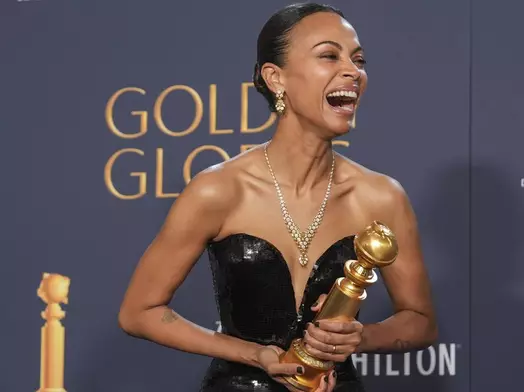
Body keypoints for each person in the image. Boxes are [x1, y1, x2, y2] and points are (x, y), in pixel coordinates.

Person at [117, 3, 437, 391]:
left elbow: (419, 321)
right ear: (276, 78)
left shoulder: (381, 197)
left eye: (359, 59)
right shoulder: (219, 189)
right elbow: (139, 312)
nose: (353, 71)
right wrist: (253, 354)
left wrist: (359, 337)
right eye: (328, 55)